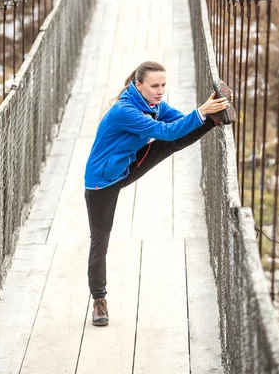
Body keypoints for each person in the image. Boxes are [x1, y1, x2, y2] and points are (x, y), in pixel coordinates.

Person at [84, 61, 234, 326]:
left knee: (173, 142)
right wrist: (201, 111)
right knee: (100, 241)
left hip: (128, 166)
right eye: (154, 86)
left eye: (163, 85)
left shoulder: (154, 105)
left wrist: (205, 116)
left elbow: (180, 125)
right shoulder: (125, 110)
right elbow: (166, 130)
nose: (160, 90)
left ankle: (216, 120)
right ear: (138, 85)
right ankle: (99, 300)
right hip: (102, 182)